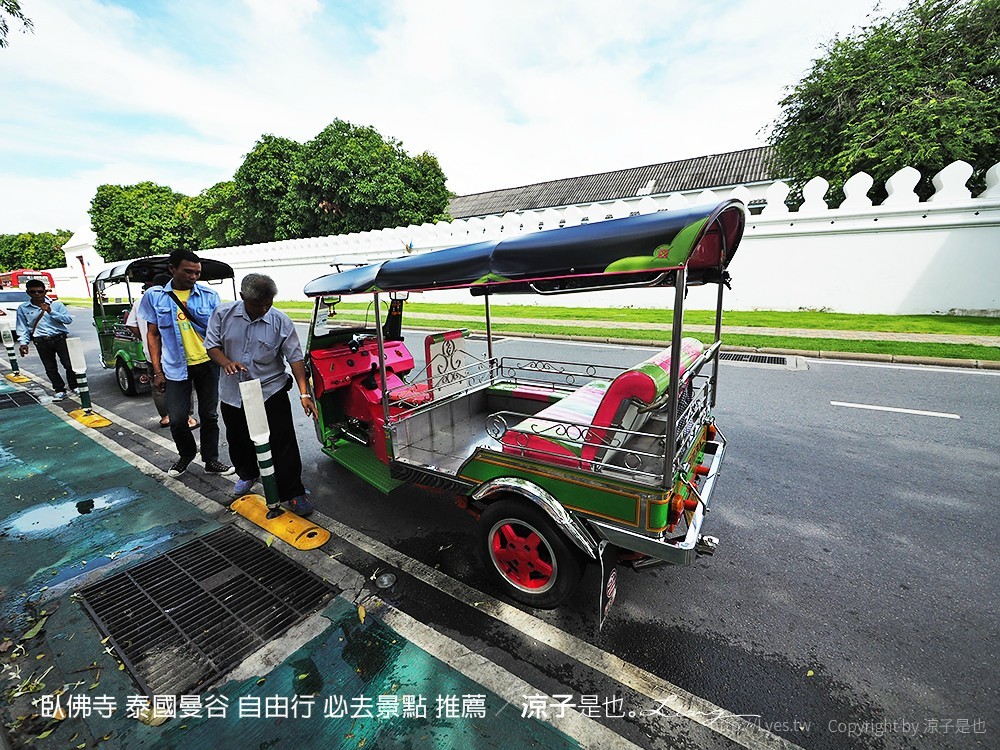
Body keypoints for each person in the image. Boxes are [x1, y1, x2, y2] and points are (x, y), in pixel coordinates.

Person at [205, 273, 315, 516]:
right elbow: (212, 345)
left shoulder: (280, 321)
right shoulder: (223, 315)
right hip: (233, 391)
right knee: (238, 437)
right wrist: (226, 363)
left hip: (269, 389)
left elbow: (295, 358)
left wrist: (304, 394)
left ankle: (294, 491)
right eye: (258, 304)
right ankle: (247, 474)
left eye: (269, 303)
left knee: (282, 442)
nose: (264, 309)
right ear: (242, 297)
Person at [139, 249, 233, 478]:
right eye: (188, 271)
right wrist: (157, 370)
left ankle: (211, 460)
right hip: (174, 366)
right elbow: (153, 334)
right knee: (178, 418)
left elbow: (219, 332)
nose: (193, 277)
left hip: (207, 363)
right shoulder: (154, 296)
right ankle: (187, 454)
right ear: (172, 269)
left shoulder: (210, 296)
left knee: (209, 415)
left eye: (197, 272)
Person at [126, 273, 197, 429]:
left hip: (151, 353)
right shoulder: (170, 299)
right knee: (183, 384)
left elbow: (131, 324)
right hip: (173, 352)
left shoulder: (139, 302)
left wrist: (144, 338)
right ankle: (188, 417)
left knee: (158, 386)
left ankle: (166, 417)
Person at [15, 279, 78, 400]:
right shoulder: (23, 308)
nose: (37, 294)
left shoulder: (56, 305)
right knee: (50, 367)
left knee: (69, 365)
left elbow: (68, 320)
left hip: (59, 338)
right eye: (33, 292)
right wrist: (24, 343)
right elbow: (22, 327)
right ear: (28, 293)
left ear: (45, 291)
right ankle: (59, 389)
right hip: (41, 340)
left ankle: (74, 386)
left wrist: (50, 311)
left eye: (40, 291)